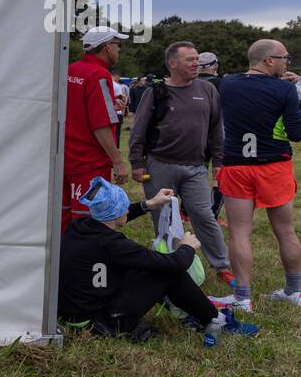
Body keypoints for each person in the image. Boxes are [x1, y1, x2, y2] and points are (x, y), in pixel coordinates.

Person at [58, 177, 256, 341]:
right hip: (100, 321)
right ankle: (218, 321)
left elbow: (117, 216)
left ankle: (187, 312)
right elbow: (175, 263)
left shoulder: (80, 227)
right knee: (167, 273)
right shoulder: (113, 245)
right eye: (125, 207)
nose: (128, 209)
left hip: (75, 313)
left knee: (142, 269)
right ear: (116, 212)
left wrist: (149, 204)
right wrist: (187, 247)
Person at [128, 40, 234, 288]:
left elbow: (217, 129)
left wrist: (219, 161)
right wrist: (136, 162)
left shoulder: (207, 90)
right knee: (163, 218)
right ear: (173, 63)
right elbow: (138, 130)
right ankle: (170, 265)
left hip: (196, 167)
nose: (196, 63)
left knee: (204, 216)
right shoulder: (155, 92)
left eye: (197, 59)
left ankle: (222, 267)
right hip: (159, 166)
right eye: (190, 60)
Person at [213, 39, 301, 311]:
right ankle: (294, 291)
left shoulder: (227, 83)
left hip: (238, 165)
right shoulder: (285, 89)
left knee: (240, 233)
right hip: (274, 165)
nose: (287, 61)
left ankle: (242, 298)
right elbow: (296, 133)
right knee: (285, 231)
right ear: (269, 60)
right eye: (284, 57)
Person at [63, 26, 130, 232]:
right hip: (90, 162)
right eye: (117, 45)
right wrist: (117, 161)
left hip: (65, 160)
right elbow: (100, 124)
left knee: (64, 219)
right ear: (107, 46)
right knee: (90, 224)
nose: (119, 50)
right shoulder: (99, 75)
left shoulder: (70, 69)